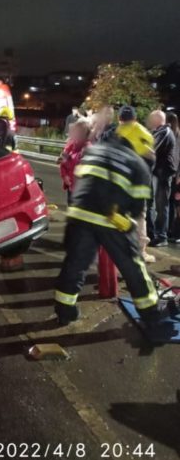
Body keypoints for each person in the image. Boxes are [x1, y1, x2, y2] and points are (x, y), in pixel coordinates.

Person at [53, 121, 162, 328]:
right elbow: (138, 208)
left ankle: (64, 311)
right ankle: (151, 313)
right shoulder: (137, 164)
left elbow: (80, 180)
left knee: (75, 265)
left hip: (79, 216)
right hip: (111, 220)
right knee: (133, 266)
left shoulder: (97, 150)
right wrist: (127, 225)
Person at [117, 105, 155, 262]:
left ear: (120, 119)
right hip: (139, 185)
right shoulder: (144, 134)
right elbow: (151, 159)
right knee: (139, 218)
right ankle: (140, 252)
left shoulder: (112, 133)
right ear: (135, 118)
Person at [147, 109, 177, 247]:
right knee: (156, 205)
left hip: (163, 174)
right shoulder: (160, 132)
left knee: (161, 206)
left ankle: (161, 236)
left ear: (158, 120)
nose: (149, 121)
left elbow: (151, 148)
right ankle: (155, 233)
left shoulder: (163, 132)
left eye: (151, 119)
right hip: (159, 173)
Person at [58, 118, 91, 205]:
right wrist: (64, 176)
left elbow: (77, 164)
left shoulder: (88, 149)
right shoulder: (71, 145)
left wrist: (66, 160)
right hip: (71, 186)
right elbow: (63, 161)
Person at [166, 112, 180, 243]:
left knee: (172, 203)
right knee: (172, 204)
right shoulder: (175, 135)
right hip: (174, 174)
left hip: (173, 174)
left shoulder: (170, 135)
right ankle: (171, 230)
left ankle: (171, 230)